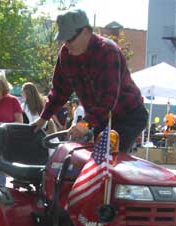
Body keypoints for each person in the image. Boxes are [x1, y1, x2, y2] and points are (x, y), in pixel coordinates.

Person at [31, 9, 147, 154]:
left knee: (107, 159)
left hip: (128, 116)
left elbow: (107, 99)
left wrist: (84, 124)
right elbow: (59, 91)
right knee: (80, 158)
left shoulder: (108, 51)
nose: (66, 44)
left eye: (70, 39)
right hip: (100, 118)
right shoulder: (66, 55)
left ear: (86, 32)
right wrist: (43, 118)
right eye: (63, 40)